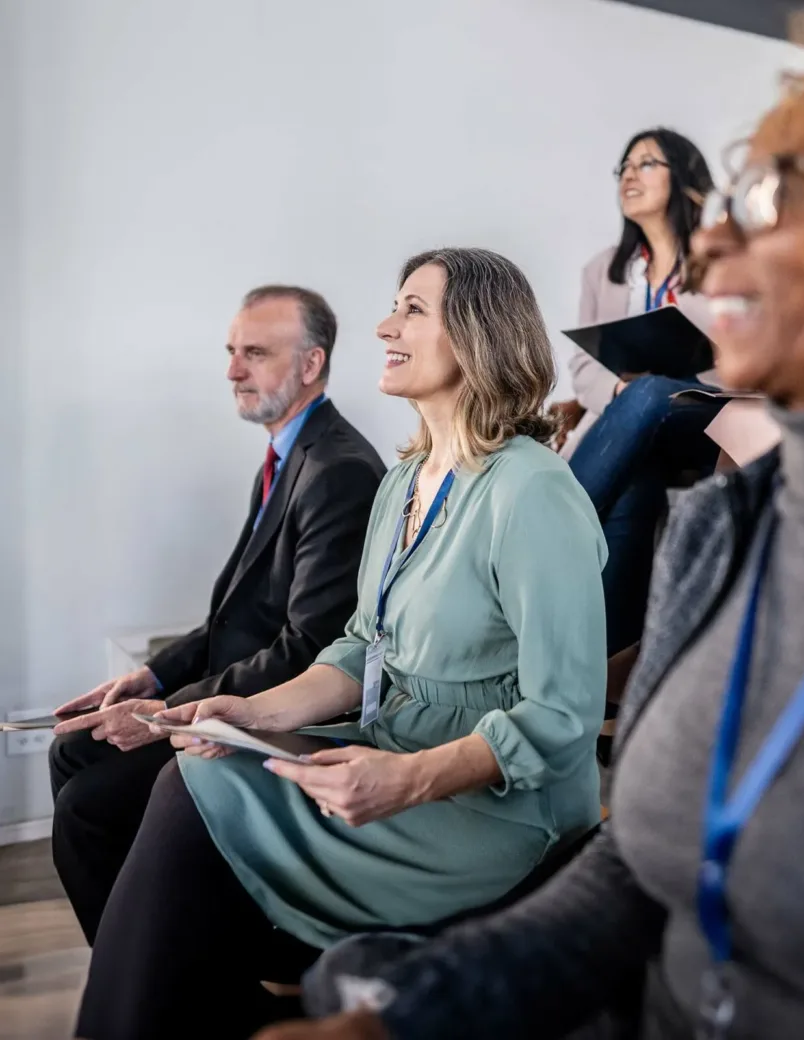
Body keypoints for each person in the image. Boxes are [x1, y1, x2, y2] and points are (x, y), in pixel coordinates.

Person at [267, 3, 804, 1038]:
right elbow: (636, 866)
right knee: (354, 986)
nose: (716, 236)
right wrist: (406, 1019)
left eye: (769, 194)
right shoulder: (722, 535)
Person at [74, 248, 607, 1040]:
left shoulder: (532, 492)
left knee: (189, 802)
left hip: (496, 812)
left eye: (413, 310)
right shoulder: (404, 482)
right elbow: (363, 648)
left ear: (478, 334)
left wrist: (410, 779)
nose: (385, 326)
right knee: (193, 776)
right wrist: (248, 712)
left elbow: (563, 716)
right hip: (391, 744)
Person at [48, 284, 385, 946]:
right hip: (227, 694)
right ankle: (147, 959)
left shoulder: (338, 470)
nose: (232, 370)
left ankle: (151, 972)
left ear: (311, 364)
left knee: (86, 812)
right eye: (232, 351)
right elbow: (232, 615)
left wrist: (167, 713)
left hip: (274, 720)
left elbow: (308, 649)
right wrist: (151, 680)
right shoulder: (288, 456)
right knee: (69, 750)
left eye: (254, 353)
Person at [560, 128, 769, 657]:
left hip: (706, 415)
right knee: (638, 477)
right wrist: (619, 388)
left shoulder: (721, 259)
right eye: (624, 167)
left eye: (646, 164)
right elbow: (583, 366)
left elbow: (749, 351)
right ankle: (604, 664)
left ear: (683, 176)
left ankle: (550, 532)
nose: (629, 174)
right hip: (633, 422)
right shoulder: (603, 271)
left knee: (654, 393)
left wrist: (668, 370)